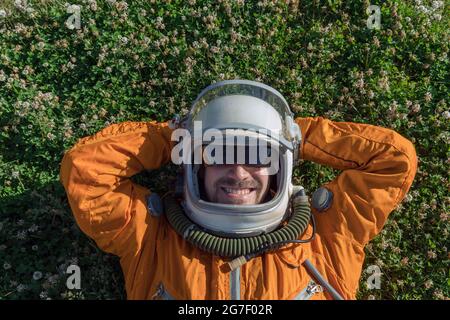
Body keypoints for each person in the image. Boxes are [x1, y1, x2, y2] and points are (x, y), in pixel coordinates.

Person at [59, 80, 418, 300]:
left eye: (258, 154)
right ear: (195, 161)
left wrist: (295, 135)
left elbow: (395, 160)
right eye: (219, 153)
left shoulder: (329, 233)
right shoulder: (150, 236)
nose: (238, 171)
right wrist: (176, 136)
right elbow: (85, 169)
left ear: (281, 162)